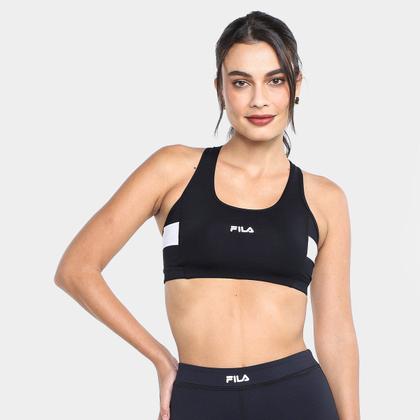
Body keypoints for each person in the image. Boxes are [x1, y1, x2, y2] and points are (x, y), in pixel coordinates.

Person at [54, 10, 360, 420]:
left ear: (296, 85)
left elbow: (336, 331)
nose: (259, 99)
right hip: (198, 397)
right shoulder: (172, 170)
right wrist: (161, 358)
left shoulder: (324, 197)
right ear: (220, 88)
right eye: (241, 82)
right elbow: (76, 269)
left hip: (296, 396)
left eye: (275, 80)